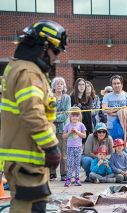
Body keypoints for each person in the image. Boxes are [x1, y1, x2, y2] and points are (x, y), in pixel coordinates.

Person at [0, 20, 66, 212]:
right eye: (55, 52)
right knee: (28, 208)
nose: (55, 58)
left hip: (26, 158)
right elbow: (33, 113)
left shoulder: (21, 68)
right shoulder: (28, 73)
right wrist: (52, 146)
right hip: (26, 159)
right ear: (44, 47)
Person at [50, 76, 71, 181]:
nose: (59, 86)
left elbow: (65, 115)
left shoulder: (67, 98)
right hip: (50, 129)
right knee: (50, 152)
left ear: (64, 86)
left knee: (63, 153)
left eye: (61, 84)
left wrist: (53, 117)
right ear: (53, 86)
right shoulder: (49, 97)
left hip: (62, 129)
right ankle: (52, 173)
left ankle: (64, 174)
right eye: (57, 84)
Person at [63, 107, 87, 187]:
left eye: (76, 116)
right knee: (70, 164)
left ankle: (77, 179)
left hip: (78, 147)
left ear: (79, 116)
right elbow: (64, 136)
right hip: (70, 147)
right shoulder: (67, 125)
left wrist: (77, 131)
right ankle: (68, 179)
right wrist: (70, 131)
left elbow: (84, 136)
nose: (75, 117)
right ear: (70, 116)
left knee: (77, 164)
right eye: (73, 115)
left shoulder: (81, 125)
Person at [70, 78, 93, 142]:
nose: (81, 86)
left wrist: (80, 107)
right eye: (79, 84)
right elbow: (70, 110)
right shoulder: (71, 97)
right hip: (74, 123)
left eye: (83, 84)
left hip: (86, 123)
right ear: (76, 86)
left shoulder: (89, 98)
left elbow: (89, 109)